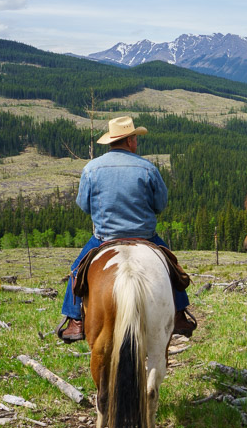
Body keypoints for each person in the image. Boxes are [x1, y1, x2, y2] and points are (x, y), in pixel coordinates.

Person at [55, 116, 197, 343]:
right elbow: (160, 205)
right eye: (135, 138)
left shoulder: (91, 169)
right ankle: (179, 315)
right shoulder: (148, 168)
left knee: (76, 270)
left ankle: (76, 321)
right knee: (172, 267)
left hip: (104, 239)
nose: (136, 142)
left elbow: (83, 206)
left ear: (111, 141)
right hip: (145, 238)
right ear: (130, 140)